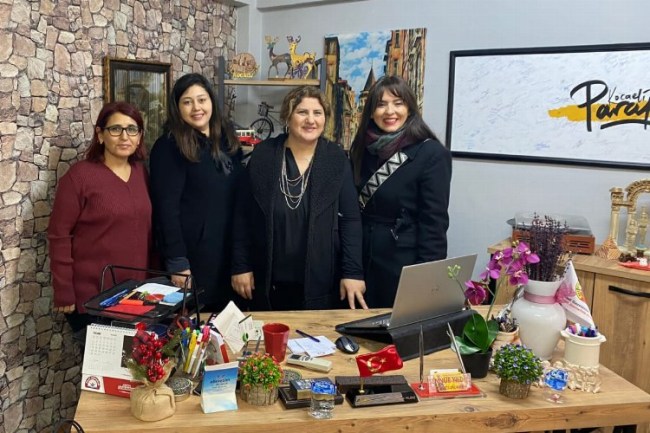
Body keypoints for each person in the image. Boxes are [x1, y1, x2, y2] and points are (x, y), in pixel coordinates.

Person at [231, 86, 367, 311]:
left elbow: (350, 221)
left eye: (317, 113)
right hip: (268, 279)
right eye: (302, 112)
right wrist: (240, 266)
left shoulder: (336, 159)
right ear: (288, 116)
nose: (310, 120)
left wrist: (353, 272)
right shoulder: (263, 155)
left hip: (321, 280)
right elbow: (242, 215)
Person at [48, 101, 152, 334]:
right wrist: (63, 291)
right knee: (104, 359)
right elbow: (59, 235)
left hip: (136, 297)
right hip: (93, 298)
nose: (124, 136)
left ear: (139, 137)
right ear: (100, 134)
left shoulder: (141, 173)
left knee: (135, 357)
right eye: (115, 129)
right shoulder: (79, 177)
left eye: (132, 129)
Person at [350, 75, 452, 308]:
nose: (390, 111)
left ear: (409, 108)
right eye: (381, 104)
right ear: (371, 112)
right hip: (361, 261)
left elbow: (434, 225)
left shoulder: (431, 154)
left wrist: (425, 279)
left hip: (402, 264)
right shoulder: (362, 149)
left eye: (398, 103)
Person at [149, 73, 243, 312]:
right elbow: (166, 210)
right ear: (177, 107)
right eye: (187, 102)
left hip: (229, 253)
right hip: (194, 258)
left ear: (211, 101)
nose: (196, 108)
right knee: (197, 324)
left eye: (202, 100)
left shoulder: (226, 140)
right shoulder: (169, 146)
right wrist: (177, 262)